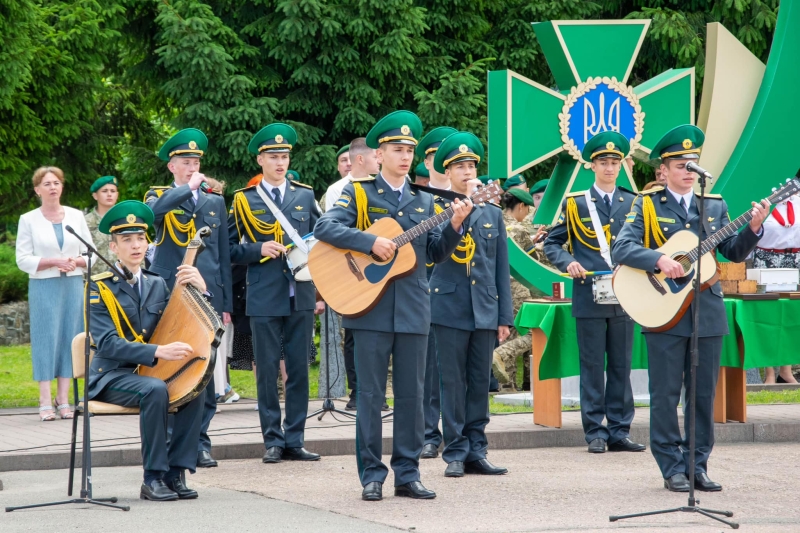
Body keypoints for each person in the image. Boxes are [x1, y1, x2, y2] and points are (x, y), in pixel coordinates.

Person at [314, 110, 469, 501]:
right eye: (396, 149)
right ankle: (371, 475)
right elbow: (325, 228)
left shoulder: (424, 199)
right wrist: (369, 243)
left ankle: (407, 472)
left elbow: (432, 253)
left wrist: (454, 225)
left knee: (412, 396)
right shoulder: (359, 192)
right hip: (368, 308)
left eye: (409, 150)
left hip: (414, 307)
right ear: (378, 154)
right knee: (369, 395)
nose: (404, 156)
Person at [613, 124, 768, 492]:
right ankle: (671, 468)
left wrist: (754, 229)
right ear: (662, 170)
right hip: (663, 312)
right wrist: (658, 261)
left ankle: (697, 464)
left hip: (707, 310)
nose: (688, 170)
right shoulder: (647, 204)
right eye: (681, 164)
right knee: (665, 394)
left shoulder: (714, 205)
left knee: (702, 395)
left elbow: (730, 252)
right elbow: (621, 248)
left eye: (693, 164)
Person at [88, 200, 206, 501]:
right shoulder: (98, 287)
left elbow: (182, 323)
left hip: (150, 371)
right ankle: (152, 478)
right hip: (112, 376)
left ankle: (175, 473)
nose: (136, 245)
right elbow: (108, 343)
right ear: (113, 247)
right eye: (127, 240)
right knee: (154, 390)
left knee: (196, 384)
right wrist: (157, 351)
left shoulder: (156, 283)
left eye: (140, 238)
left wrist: (200, 288)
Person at [544, 131, 646, 455]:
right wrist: (569, 262)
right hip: (589, 294)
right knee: (591, 366)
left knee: (620, 366)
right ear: (592, 165)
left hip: (625, 296)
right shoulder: (575, 203)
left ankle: (620, 430)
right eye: (603, 162)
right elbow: (552, 243)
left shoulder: (632, 202)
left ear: (622, 165)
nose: (610, 168)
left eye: (615, 162)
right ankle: (595, 432)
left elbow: (645, 245)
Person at [229, 122, 322, 465]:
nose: (280, 162)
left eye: (284, 156)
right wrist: (256, 249)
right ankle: (272, 439)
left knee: (298, 368)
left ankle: (295, 439)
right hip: (264, 294)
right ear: (260, 161)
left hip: (301, 292)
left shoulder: (305, 195)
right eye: (273, 156)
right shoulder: (243, 200)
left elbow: (320, 242)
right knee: (266, 370)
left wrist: (323, 291)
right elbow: (227, 251)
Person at [144, 128, 232, 469]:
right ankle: (169, 437)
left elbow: (222, 256)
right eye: (185, 162)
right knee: (171, 364)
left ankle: (201, 442)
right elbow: (152, 216)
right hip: (168, 293)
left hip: (205, 294)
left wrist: (224, 304)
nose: (192, 166)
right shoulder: (158, 196)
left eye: (195, 162)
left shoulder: (215, 201)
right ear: (172, 167)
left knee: (205, 367)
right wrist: (187, 189)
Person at [430, 131, 513, 478]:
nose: (466, 172)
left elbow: (500, 266)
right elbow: (432, 254)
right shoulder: (434, 209)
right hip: (448, 307)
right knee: (453, 383)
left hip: (484, 308)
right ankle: (454, 451)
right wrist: (454, 221)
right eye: (459, 166)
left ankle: (477, 449)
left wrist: (504, 316)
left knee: (480, 382)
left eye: (471, 166)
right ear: (447, 173)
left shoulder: (491, 213)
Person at [16, 166, 93, 421]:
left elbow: (89, 253)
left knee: (70, 338)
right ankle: (45, 399)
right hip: (44, 285)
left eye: (56, 182)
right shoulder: (28, 219)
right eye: (46, 183)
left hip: (71, 284)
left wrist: (76, 262)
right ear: (38, 190)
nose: (52, 187)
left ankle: (64, 399)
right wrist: (53, 262)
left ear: (62, 187)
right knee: (46, 338)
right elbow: (23, 259)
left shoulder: (75, 216)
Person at [328, 137, 382, 410]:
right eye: (376, 156)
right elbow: (330, 233)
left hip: (379, 269)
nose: (380, 161)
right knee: (353, 334)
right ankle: (356, 391)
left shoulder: (381, 187)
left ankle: (377, 391)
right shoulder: (338, 189)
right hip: (350, 268)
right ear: (360, 159)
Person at [415, 125, 457, 459]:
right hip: (425, 288)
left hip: (458, 293)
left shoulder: (468, 198)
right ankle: (430, 432)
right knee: (429, 367)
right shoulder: (420, 198)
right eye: (434, 156)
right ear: (427, 162)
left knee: (457, 370)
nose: (441, 162)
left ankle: (461, 434)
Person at [753, 193, 800, 384]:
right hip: (766, 258)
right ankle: (770, 373)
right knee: (767, 315)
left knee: (792, 314)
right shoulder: (765, 199)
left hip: (795, 258)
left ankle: (786, 371)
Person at [494, 188, 537, 390]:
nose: (526, 215)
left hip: (497, 287)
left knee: (506, 332)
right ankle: (502, 356)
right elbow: (532, 261)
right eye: (527, 209)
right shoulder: (519, 230)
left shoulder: (495, 221)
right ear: (521, 206)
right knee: (530, 333)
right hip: (518, 288)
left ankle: (507, 386)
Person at [84, 176, 120, 275]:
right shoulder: (85, 222)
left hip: (122, 279)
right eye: (104, 191)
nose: (109, 194)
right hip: (94, 280)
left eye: (113, 191)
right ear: (95, 195)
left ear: (117, 195)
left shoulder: (124, 221)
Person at [323, 145, 353, 212]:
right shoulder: (333, 190)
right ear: (338, 167)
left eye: (352, 159)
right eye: (344, 160)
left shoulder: (373, 184)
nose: (349, 163)